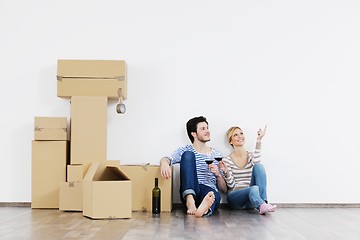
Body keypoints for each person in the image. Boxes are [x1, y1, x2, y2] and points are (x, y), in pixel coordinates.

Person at [160, 116, 227, 217]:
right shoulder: (185, 150)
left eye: (207, 128)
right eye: (203, 129)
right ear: (194, 134)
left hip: (208, 189)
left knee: (213, 195)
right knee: (188, 155)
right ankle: (190, 201)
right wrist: (164, 164)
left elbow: (224, 189)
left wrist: (218, 174)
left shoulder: (216, 154)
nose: (207, 131)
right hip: (191, 190)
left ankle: (203, 210)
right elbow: (166, 159)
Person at [218, 125, 277, 215]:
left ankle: (263, 203)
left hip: (252, 198)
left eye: (241, 133)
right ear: (230, 141)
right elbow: (232, 186)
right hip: (236, 198)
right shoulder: (227, 160)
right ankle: (262, 204)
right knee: (253, 189)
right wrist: (226, 172)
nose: (240, 136)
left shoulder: (250, 156)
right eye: (235, 135)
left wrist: (259, 140)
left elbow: (257, 162)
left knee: (259, 167)